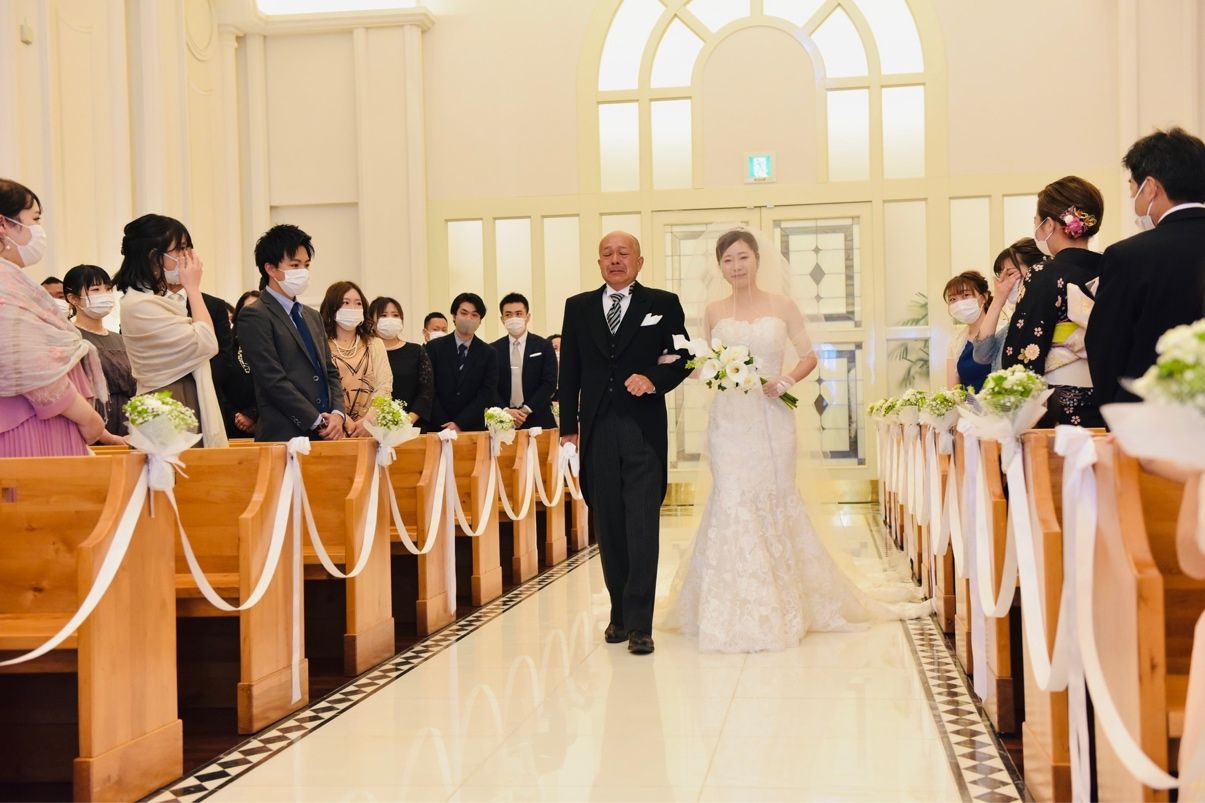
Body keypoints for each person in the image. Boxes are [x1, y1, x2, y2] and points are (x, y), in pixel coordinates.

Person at [662, 229, 928, 653]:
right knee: (731, 497)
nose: (736, 266)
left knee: (775, 496)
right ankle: (731, 605)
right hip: (729, 422)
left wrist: (785, 379)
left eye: (743, 257)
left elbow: (808, 355)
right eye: (728, 260)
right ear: (720, 267)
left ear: (757, 258)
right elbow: (705, 365)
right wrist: (678, 364)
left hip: (772, 417)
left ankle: (787, 598)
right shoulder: (713, 311)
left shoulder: (781, 305)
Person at [558, 231, 692, 655]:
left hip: (642, 430)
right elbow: (570, 370)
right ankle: (618, 612)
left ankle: (640, 624)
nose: (615, 260)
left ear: (639, 261)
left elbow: (684, 358)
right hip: (597, 428)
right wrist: (568, 428)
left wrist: (653, 378)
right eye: (607, 254)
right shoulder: (578, 307)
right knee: (609, 522)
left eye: (623, 253)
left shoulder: (662, 304)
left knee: (642, 524)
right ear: (599, 262)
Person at [1088, 127, 1205, 406]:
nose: (1135, 203)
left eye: (1134, 191)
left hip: (1151, 413)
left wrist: (1116, 411)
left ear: (1150, 187)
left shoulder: (1128, 256)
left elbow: (1106, 347)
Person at [0, 178, 107, 455]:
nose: (38, 230)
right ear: (3, 224)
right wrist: (87, 418)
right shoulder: (4, 282)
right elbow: (25, 363)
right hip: (29, 428)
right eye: (34, 219)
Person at [113, 213, 228, 447]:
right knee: (173, 468)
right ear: (154, 256)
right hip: (166, 400)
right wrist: (193, 289)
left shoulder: (158, 299)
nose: (188, 257)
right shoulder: (139, 305)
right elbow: (206, 342)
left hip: (181, 395)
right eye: (181, 249)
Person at [1002, 176, 1105, 427]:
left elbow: (1025, 348)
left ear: (1049, 224)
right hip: (1107, 402)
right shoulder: (1113, 269)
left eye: (1036, 220)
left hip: (1059, 405)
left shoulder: (1043, 273)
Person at [237, 224, 345, 443]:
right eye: (295, 265)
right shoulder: (255, 315)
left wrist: (337, 414)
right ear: (270, 268)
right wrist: (316, 420)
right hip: (284, 434)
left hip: (326, 434)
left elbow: (330, 371)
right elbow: (272, 379)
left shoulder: (312, 316)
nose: (303, 272)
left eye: (306, 265)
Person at [63, 264, 134, 442]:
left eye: (108, 289)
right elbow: (69, 392)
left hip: (128, 427)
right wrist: (107, 437)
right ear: (73, 298)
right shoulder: (69, 337)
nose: (105, 294)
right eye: (95, 289)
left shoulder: (121, 339)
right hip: (89, 429)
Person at [320, 281, 392, 438]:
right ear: (332, 307)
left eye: (358, 303)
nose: (353, 308)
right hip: (333, 428)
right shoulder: (320, 344)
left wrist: (368, 421)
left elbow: (384, 387)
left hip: (369, 430)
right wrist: (343, 418)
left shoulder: (375, 344)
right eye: (345, 303)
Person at [425, 292, 498, 433]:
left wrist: (460, 423)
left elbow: (487, 393)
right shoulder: (434, 347)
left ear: (480, 321)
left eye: (474, 315)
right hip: (437, 426)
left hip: (472, 428)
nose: (469, 318)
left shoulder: (489, 353)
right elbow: (428, 389)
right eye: (464, 313)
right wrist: (444, 423)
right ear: (454, 316)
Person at [971, 239, 1046, 372]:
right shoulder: (1014, 323)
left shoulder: (1047, 316)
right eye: (1001, 275)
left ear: (1037, 270)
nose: (1004, 281)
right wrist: (998, 300)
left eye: (1010, 274)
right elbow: (982, 355)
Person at [490, 292, 557, 429]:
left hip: (538, 416)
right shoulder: (493, 349)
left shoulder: (544, 346)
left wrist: (525, 410)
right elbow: (489, 385)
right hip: (503, 420)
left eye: (519, 313)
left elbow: (549, 383)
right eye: (508, 314)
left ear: (528, 316)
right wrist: (506, 411)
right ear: (502, 319)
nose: (513, 318)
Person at [369, 296, 434, 429]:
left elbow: (426, 391)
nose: (390, 319)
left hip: (410, 427)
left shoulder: (416, 351)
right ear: (371, 321)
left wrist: (407, 421)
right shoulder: (365, 352)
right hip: (369, 427)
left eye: (395, 315)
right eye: (383, 315)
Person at [943, 271, 993, 392]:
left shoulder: (1002, 333)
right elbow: (953, 390)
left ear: (984, 297)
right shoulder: (956, 341)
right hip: (968, 403)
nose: (959, 304)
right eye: (953, 299)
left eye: (966, 295)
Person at [225, 291, 261, 436]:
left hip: (268, 424)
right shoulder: (225, 345)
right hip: (231, 424)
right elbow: (217, 387)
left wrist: (253, 415)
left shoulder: (278, 345)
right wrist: (238, 418)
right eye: (248, 309)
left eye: (258, 309)